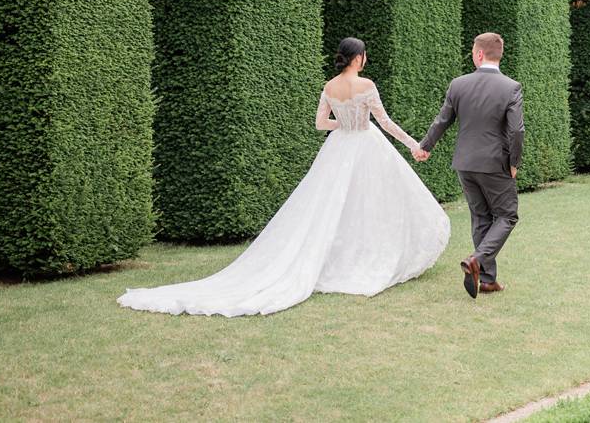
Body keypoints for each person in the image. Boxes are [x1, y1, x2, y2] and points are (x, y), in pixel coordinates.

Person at [118, 37, 448, 316]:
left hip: (340, 146)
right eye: (364, 55)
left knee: (330, 205)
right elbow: (385, 123)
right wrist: (413, 145)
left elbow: (321, 123)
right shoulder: (366, 85)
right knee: (370, 203)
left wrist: (344, 124)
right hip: (365, 143)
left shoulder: (330, 86)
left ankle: (344, 258)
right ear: (358, 58)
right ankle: (367, 258)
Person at [414, 31, 524, 298]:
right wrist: (514, 162)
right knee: (507, 215)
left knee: (481, 216)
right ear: (499, 54)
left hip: (464, 163)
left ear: (478, 54)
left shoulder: (458, 84)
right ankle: (477, 260)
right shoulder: (511, 87)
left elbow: (442, 121)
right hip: (495, 163)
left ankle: (486, 280)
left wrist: (425, 146)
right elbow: (517, 131)